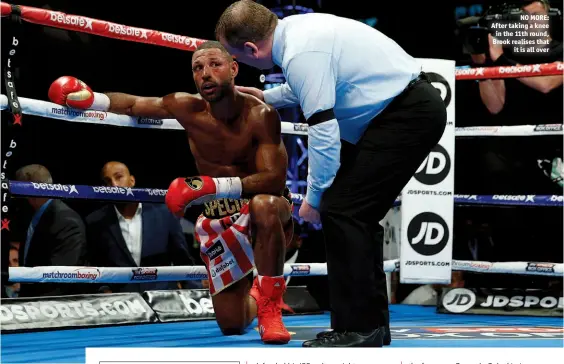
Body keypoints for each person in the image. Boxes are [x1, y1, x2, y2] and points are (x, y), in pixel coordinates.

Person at [215, 1, 447, 347]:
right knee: (357, 215)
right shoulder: (298, 32)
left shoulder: (300, 53)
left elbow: (323, 133)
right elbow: (313, 83)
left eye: (241, 59)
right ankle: (370, 326)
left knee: (342, 210)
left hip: (404, 115)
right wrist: (267, 96)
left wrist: (314, 197)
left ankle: (357, 327)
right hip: (402, 111)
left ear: (251, 49)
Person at [47, 41, 293, 344]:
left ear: (234, 68)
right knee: (232, 324)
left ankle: (271, 310)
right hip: (221, 215)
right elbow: (133, 104)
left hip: (265, 206)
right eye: (198, 68)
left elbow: (274, 178)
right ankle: (259, 293)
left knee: (265, 205)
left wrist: (213, 185)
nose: (205, 73)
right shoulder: (185, 106)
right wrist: (91, 98)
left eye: (214, 64)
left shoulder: (261, 115)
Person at [85, 161, 197, 294]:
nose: (114, 185)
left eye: (119, 177)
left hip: (164, 299)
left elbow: (183, 260)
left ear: (132, 180)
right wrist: (104, 290)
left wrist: (195, 296)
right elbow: (93, 265)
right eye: (108, 181)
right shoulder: (96, 221)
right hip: (121, 303)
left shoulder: (164, 214)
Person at [13, 164, 88, 297]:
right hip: (30, 300)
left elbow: (60, 276)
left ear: (28, 190)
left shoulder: (66, 221)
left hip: (52, 305)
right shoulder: (33, 215)